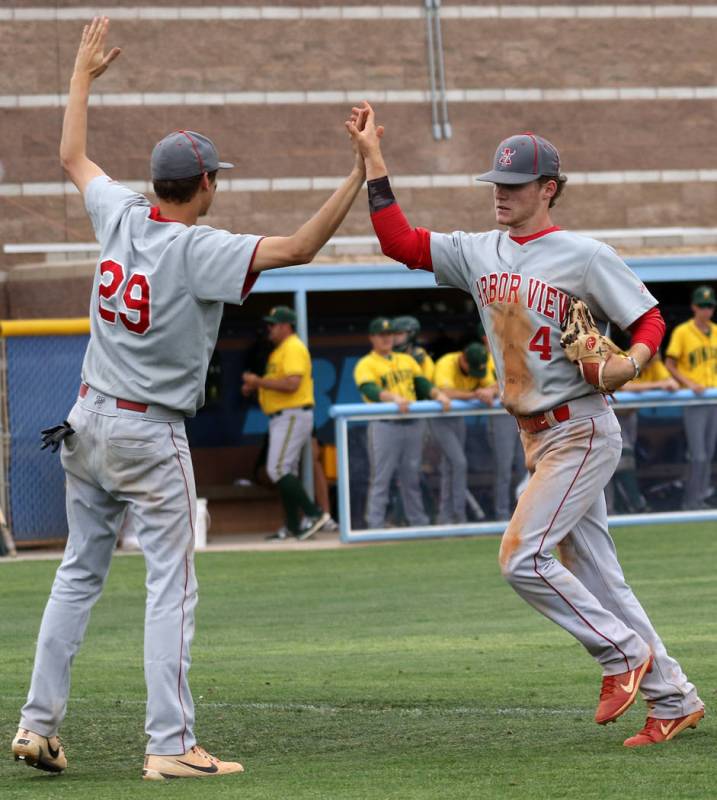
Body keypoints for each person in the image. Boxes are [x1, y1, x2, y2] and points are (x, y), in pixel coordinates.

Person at [12, 18, 368, 781]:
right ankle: (170, 744)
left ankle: (37, 724)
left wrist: (80, 75)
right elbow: (301, 248)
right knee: (171, 582)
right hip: (145, 432)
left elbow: (71, 155)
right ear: (205, 183)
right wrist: (359, 174)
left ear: (157, 183)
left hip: (85, 421)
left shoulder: (120, 213)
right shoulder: (199, 247)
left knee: (78, 572)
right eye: (217, 177)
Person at [347, 102, 704, 747]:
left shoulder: (585, 256)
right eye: (496, 184)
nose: (500, 195)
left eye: (513, 186)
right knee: (599, 578)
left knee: (522, 558)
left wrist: (633, 362)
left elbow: (649, 320)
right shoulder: (476, 251)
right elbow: (399, 243)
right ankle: (672, 696)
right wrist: (375, 162)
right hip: (536, 435)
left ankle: (622, 657)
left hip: (582, 426)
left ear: (549, 189)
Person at [242, 306, 330, 541]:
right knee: (286, 470)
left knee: (277, 469)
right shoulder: (280, 350)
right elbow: (280, 381)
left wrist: (257, 381)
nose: (269, 329)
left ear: (285, 326)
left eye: (273, 324)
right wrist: (257, 385)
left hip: (292, 413)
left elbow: (292, 384)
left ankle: (315, 513)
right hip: (284, 415)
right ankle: (293, 526)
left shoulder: (293, 346)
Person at [354, 317, 450, 528]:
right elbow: (369, 389)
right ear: (372, 338)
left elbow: (422, 383)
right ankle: (375, 525)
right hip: (385, 424)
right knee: (381, 478)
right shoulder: (366, 363)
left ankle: (418, 523)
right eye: (381, 335)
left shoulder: (406, 360)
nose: (386, 338)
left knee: (412, 478)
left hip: (412, 424)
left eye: (389, 334)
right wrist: (394, 398)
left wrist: (438, 395)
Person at [430, 343, 497, 523]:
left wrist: (489, 391)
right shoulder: (447, 362)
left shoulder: (481, 363)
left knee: (449, 466)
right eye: (472, 368)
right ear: (463, 359)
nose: (475, 373)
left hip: (458, 418)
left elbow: (491, 385)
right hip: (437, 417)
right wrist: (475, 395)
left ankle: (445, 517)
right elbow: (446, 391)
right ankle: (459, 515)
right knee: (459, 462)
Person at [664, 286, 717, 510]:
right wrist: (688, 383)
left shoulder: (716, 330)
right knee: (699, 455)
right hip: (694, 400)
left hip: (713, 398)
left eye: (710, 306)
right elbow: (670, 364)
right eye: (702, 306)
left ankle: (701, 496)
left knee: (709, 453)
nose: (706, 310)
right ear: (694, 307)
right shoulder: (682, 332)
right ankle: (691, 501)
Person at [607, 352, 679, 514]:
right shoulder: (625, 358)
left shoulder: (654, 365)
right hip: (611, 413)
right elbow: (624, 387)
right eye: (653, 347)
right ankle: (630, 504)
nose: (657, 352)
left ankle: (622, 505)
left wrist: (662, 382)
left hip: (629, 415)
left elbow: (671, 384)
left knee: (624, 459)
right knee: (616, 461)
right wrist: (656, 385)